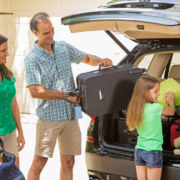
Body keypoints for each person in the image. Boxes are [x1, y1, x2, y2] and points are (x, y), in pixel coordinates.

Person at [24, 12, 113, 180]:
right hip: (49, 118)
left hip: (71, 115)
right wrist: (64, 95)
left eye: (52, 30)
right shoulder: (32, 59)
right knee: (39, 163)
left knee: (69, 162)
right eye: (46, 33)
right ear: (35, 33)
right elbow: (35, 91)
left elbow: (87, 58)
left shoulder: (63, 47)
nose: (51, 35)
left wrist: (102, 61)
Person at [126, 75, 175, 180]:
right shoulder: (155, 108)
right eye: (156, 91)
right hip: (153, 151)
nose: (159, 94)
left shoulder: (135, 108)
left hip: (139, 150)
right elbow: (171, 112)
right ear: (145, 92)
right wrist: (171, 101)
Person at [0, 34, 25, 167]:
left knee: (14, 171)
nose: (7, 54)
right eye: (3, 51)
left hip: (10, 131)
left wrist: (20, 131)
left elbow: (13, 105)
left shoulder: (7, 73)